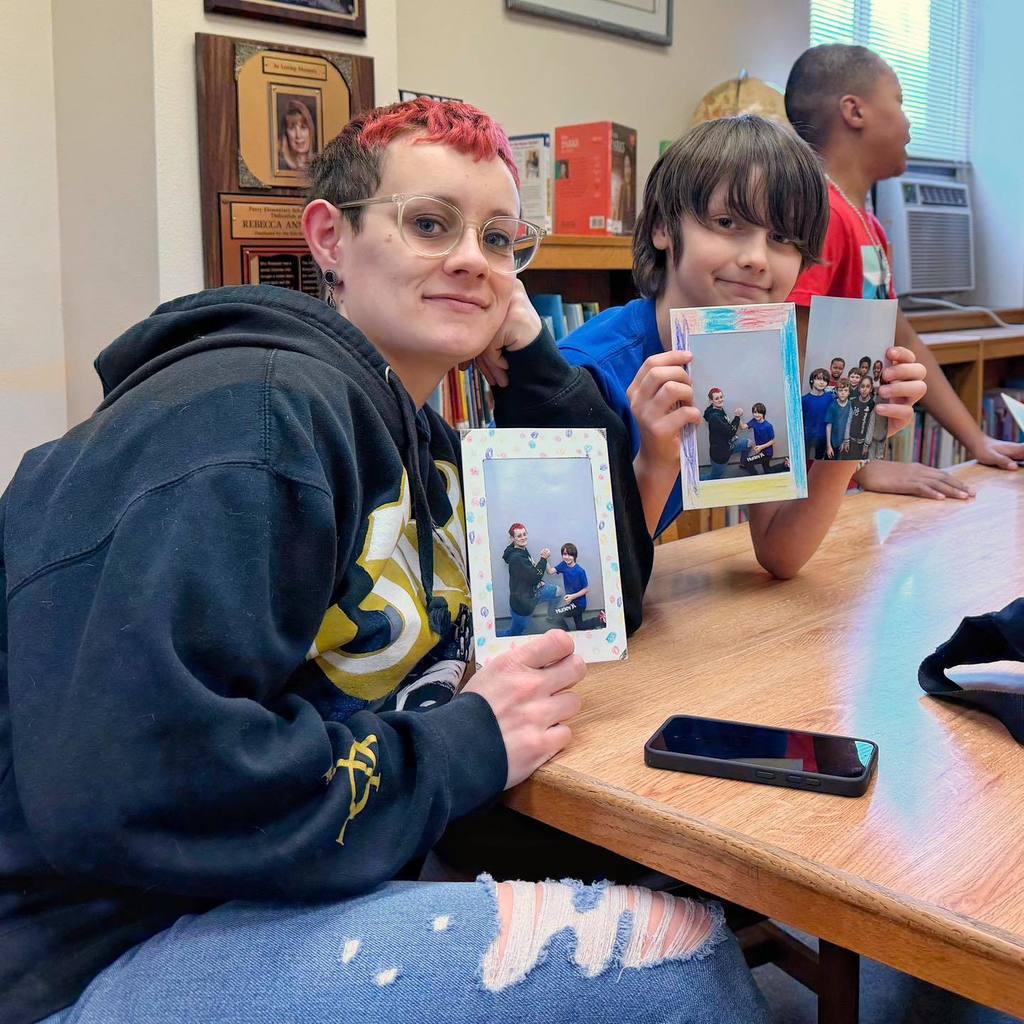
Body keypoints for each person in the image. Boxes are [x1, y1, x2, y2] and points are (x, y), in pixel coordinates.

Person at [0, 98, 768, 1024]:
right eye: (430, 225)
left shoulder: (424, 444)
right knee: (677, 961)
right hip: (95, 954)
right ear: (330, 237)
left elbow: (594, 597)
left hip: (254, 894)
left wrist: (528, 355)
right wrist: (458, 745)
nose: (472, 261)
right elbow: (139, 781)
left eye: (498, 239)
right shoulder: (252, 416)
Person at [558, 114, 927, 578]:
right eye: (727, 222)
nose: (755, 258)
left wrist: (853, 434)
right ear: (662, 228)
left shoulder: (755, 354)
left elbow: (779, 552)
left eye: (781, 238)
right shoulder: (583, 378)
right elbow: (596, 590)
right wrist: (655, 461)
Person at [785, 43, 1024, 501]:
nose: (909, 120)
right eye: (898, 100)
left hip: (844, 475)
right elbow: (793, 343)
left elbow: (903, 338)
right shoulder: (821, 214)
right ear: (854, 111)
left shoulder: (867, 224)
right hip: (813, 486)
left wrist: (977, 440)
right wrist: (862, 469)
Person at [498, 523, 561, 636]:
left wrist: (536, 580)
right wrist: (543, 559)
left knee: (557, 591)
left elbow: (528, 574)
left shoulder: (515, 549)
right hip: (523, 603)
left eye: (524, 534)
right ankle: (488, 637)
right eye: (519, 536)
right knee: (514, 633)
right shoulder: (517, 558)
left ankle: (551, 616)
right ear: (512, 539)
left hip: (532, 592)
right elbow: (534, 578)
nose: (523, 538)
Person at [703, 387, 752, 479]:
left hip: (729, 445)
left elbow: (706, 413)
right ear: (711, 401)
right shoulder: (715, 417)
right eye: (717, 398)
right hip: (720, 454)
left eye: (721, 397)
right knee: (714, 477)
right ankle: (692, 483)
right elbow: (731, 432)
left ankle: (743, 463)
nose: (720, 400)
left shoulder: (716, 409)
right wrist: (737, 416)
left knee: (748, 443)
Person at [548, 542, 590, 631]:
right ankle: (600, 619)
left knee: (555, 615)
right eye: (564, 554)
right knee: (580, 626)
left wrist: (572, 597)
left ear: (575, 556)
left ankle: (566, 634)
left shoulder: (580, 571)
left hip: (579, 605)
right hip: (572, 603)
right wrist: (545, 559)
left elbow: (586, 589)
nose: (567, 557)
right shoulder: (563, 565)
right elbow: (550, 571)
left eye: (570, 555)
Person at [801, 367, 834, 461]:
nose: (821, 382)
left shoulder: (830, 399)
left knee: (818, 462)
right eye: (819, 379)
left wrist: (829, 444)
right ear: (812, 380)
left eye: (825, 380)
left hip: (823, 438)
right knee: (806, 462)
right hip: (807, 438)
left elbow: (830, 421)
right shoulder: (804, 400)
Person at [277, 96, 316, 172]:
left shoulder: (320, 168)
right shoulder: (280, 167)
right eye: (292, 128)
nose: (298, 135)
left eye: (303, 127)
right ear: (285, 134)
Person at [845, 374, 877, 459]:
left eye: (867, 387)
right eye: (862, 386)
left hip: (862, 444)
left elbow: (871, 425)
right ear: (859, 388)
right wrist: (846, 439)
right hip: (851, 441)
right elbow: (848, 421)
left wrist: (866, 444)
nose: (864, 389)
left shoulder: (872, 404)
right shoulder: (853, 402)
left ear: (870, 389)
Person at [826, 378, 853, 459]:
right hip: (833, 442)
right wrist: (828, 446)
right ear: (837, 391)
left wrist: (845, 441)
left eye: (845, 390)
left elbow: (852, 425)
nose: (843, 393)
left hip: (847, 442)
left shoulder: (851, 405)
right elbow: (828, 425)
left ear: (849, 392)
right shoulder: (832, 406)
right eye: (841, 390)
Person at [744, 402, 776, 472]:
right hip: (760, 451)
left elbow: (773, 441)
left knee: (746, 462)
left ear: (763, 414)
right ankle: (785, 465)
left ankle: (754, 478)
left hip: (767, 453)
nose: (757, 414)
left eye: (759, 413)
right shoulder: (753, 421)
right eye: (755, 412)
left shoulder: (768, 426)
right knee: (768, 471)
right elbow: (743, 427)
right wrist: (738, 416)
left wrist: (761, 447)